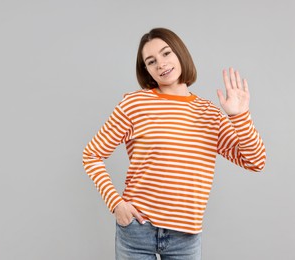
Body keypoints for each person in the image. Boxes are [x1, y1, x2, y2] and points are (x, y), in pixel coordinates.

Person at [82, 28, 266, 260]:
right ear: (146, 70)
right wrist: (116, 204)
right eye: (151, 61)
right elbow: (91, 155)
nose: (161, 64)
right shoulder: (135, 104)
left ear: (180, 53)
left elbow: (255, 161)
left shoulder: (209, 113)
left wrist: (239, 116)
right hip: (137, 230)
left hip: (186, 236)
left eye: (166, 53)